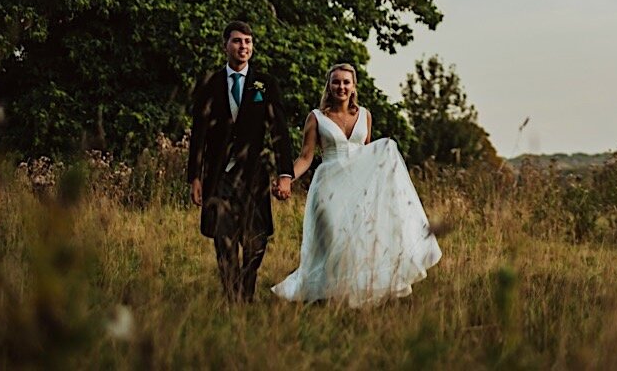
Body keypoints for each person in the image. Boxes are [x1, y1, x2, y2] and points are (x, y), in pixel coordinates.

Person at [271, 63, 442, 307]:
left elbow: (368, 154)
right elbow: (306, 157)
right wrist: (286, 177)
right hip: (328, 190)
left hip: (358, 191)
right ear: (329, 86)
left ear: (353, 87)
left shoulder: (365, 115)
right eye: (336, 82)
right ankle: (319, 295)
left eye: (346, 82)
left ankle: (345, 299)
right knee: (330, 241)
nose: (341, 86)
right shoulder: (316, 117)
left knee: (355, 244)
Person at [187, 21, 296, 302]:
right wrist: (195, 177)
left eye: (247, 42)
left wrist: (286, 173)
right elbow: (198, 132)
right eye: (237, 41)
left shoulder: (264, 84)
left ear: (252, 47)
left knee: (256, 240)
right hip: (219, 176)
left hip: (254, 175)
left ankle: (246, 288)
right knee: (224, 239)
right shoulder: (209, 84)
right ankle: (232, 296)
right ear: (225, 45)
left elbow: (279, 130)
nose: (243, 47)